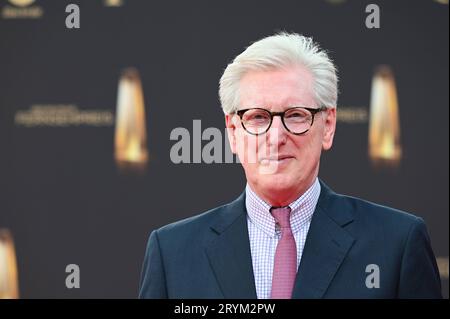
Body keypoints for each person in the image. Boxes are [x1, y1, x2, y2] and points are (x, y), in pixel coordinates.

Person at [139, 32, 442, 299]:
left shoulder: (397, 243)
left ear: (328, 126)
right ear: (233, 131)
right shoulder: (173, 253)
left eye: (296, 115)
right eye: (257, 117)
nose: (275, 136)